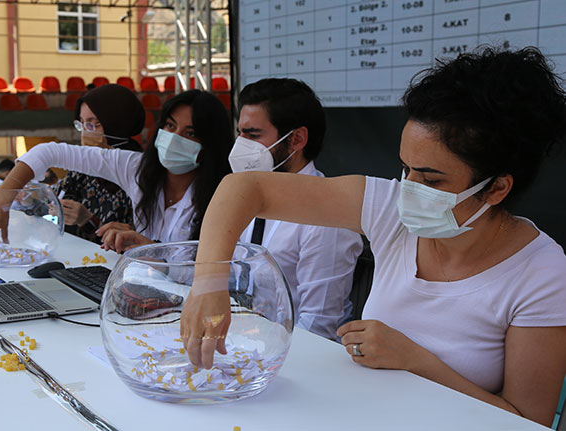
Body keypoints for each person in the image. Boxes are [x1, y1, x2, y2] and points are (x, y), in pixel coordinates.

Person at [181, 47, 566, 426]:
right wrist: (209, 282)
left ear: (497, 188)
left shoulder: (541, 272)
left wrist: (416, 360)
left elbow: (526, 421)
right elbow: (244, 190)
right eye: (405, 168)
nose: (409, 188)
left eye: (431, 179)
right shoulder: (388, 206)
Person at [0, 89, 234, 249]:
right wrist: (0, 202)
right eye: (169, 126)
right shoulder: (137, 167)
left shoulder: (225, 192)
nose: (175, 138)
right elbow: (47, 152)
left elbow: (212, 268)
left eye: (190, 133)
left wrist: (150, 249)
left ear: (210, 142)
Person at [228, 78, 363, 340]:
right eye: (240, 133)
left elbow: (318, 325)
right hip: (245, 338)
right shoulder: (248, 195)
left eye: (253, 135)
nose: (241, 145)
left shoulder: (327, 217)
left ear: (297, 139)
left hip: (293, 353)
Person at [53, 84, 144, 244]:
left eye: (93, 124)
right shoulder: (84, 165)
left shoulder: (139, 171)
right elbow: (57, 196)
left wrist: (89, 220)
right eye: (81, 124)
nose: (85, 132)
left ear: (117, 123)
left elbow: (136, 240)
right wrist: (31, 197)